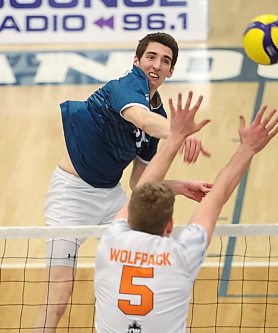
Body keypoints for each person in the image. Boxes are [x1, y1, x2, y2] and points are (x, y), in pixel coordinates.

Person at [35, 33, 211, 332]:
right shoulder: (125, 87)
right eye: (151, 57)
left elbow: (140, 181)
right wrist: (180, 134)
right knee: (59, 297)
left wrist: (178, 186)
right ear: (137, 60)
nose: (156, 65)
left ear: (171, 71)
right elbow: (141, 119)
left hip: (112, 198)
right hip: (71, 196)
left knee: (157, 258)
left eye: (165, 61)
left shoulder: (161, 114)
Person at [94, 104, 278, 332]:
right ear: (170, 226)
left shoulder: (110, 240)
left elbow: (142, 189)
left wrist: (176, 138)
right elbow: (217, 196)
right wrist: (247, 149)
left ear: (129, 219)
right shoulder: (181, 255)